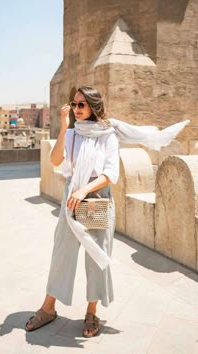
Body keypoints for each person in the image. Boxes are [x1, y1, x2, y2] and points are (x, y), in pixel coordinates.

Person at [25, 85, 189, 337]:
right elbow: (56, 161)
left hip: (97, 198)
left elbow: (110, 174)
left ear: (93, 106)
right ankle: (49, 308)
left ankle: (92, 312)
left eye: (82, 104)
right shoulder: (73, 133)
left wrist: (84, 190)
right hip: (72, 199)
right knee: (62, 252)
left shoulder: (107, 135)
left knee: (96, 257)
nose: (77, 109)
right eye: (74, 104)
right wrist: (64, 125)